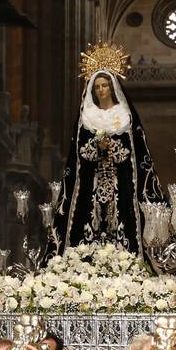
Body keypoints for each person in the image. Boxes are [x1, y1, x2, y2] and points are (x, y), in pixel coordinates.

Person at [58, 66, 166, 255]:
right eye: (97, 87)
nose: (101, 90)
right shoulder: (87, 117)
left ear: (112, 88)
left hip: (122, 183)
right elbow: (78, 152)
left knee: (122, 222)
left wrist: (113, 148)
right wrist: (96, 148)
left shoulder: (125, 116)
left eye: (105, 86)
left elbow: (136, 152)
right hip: (91, 183)